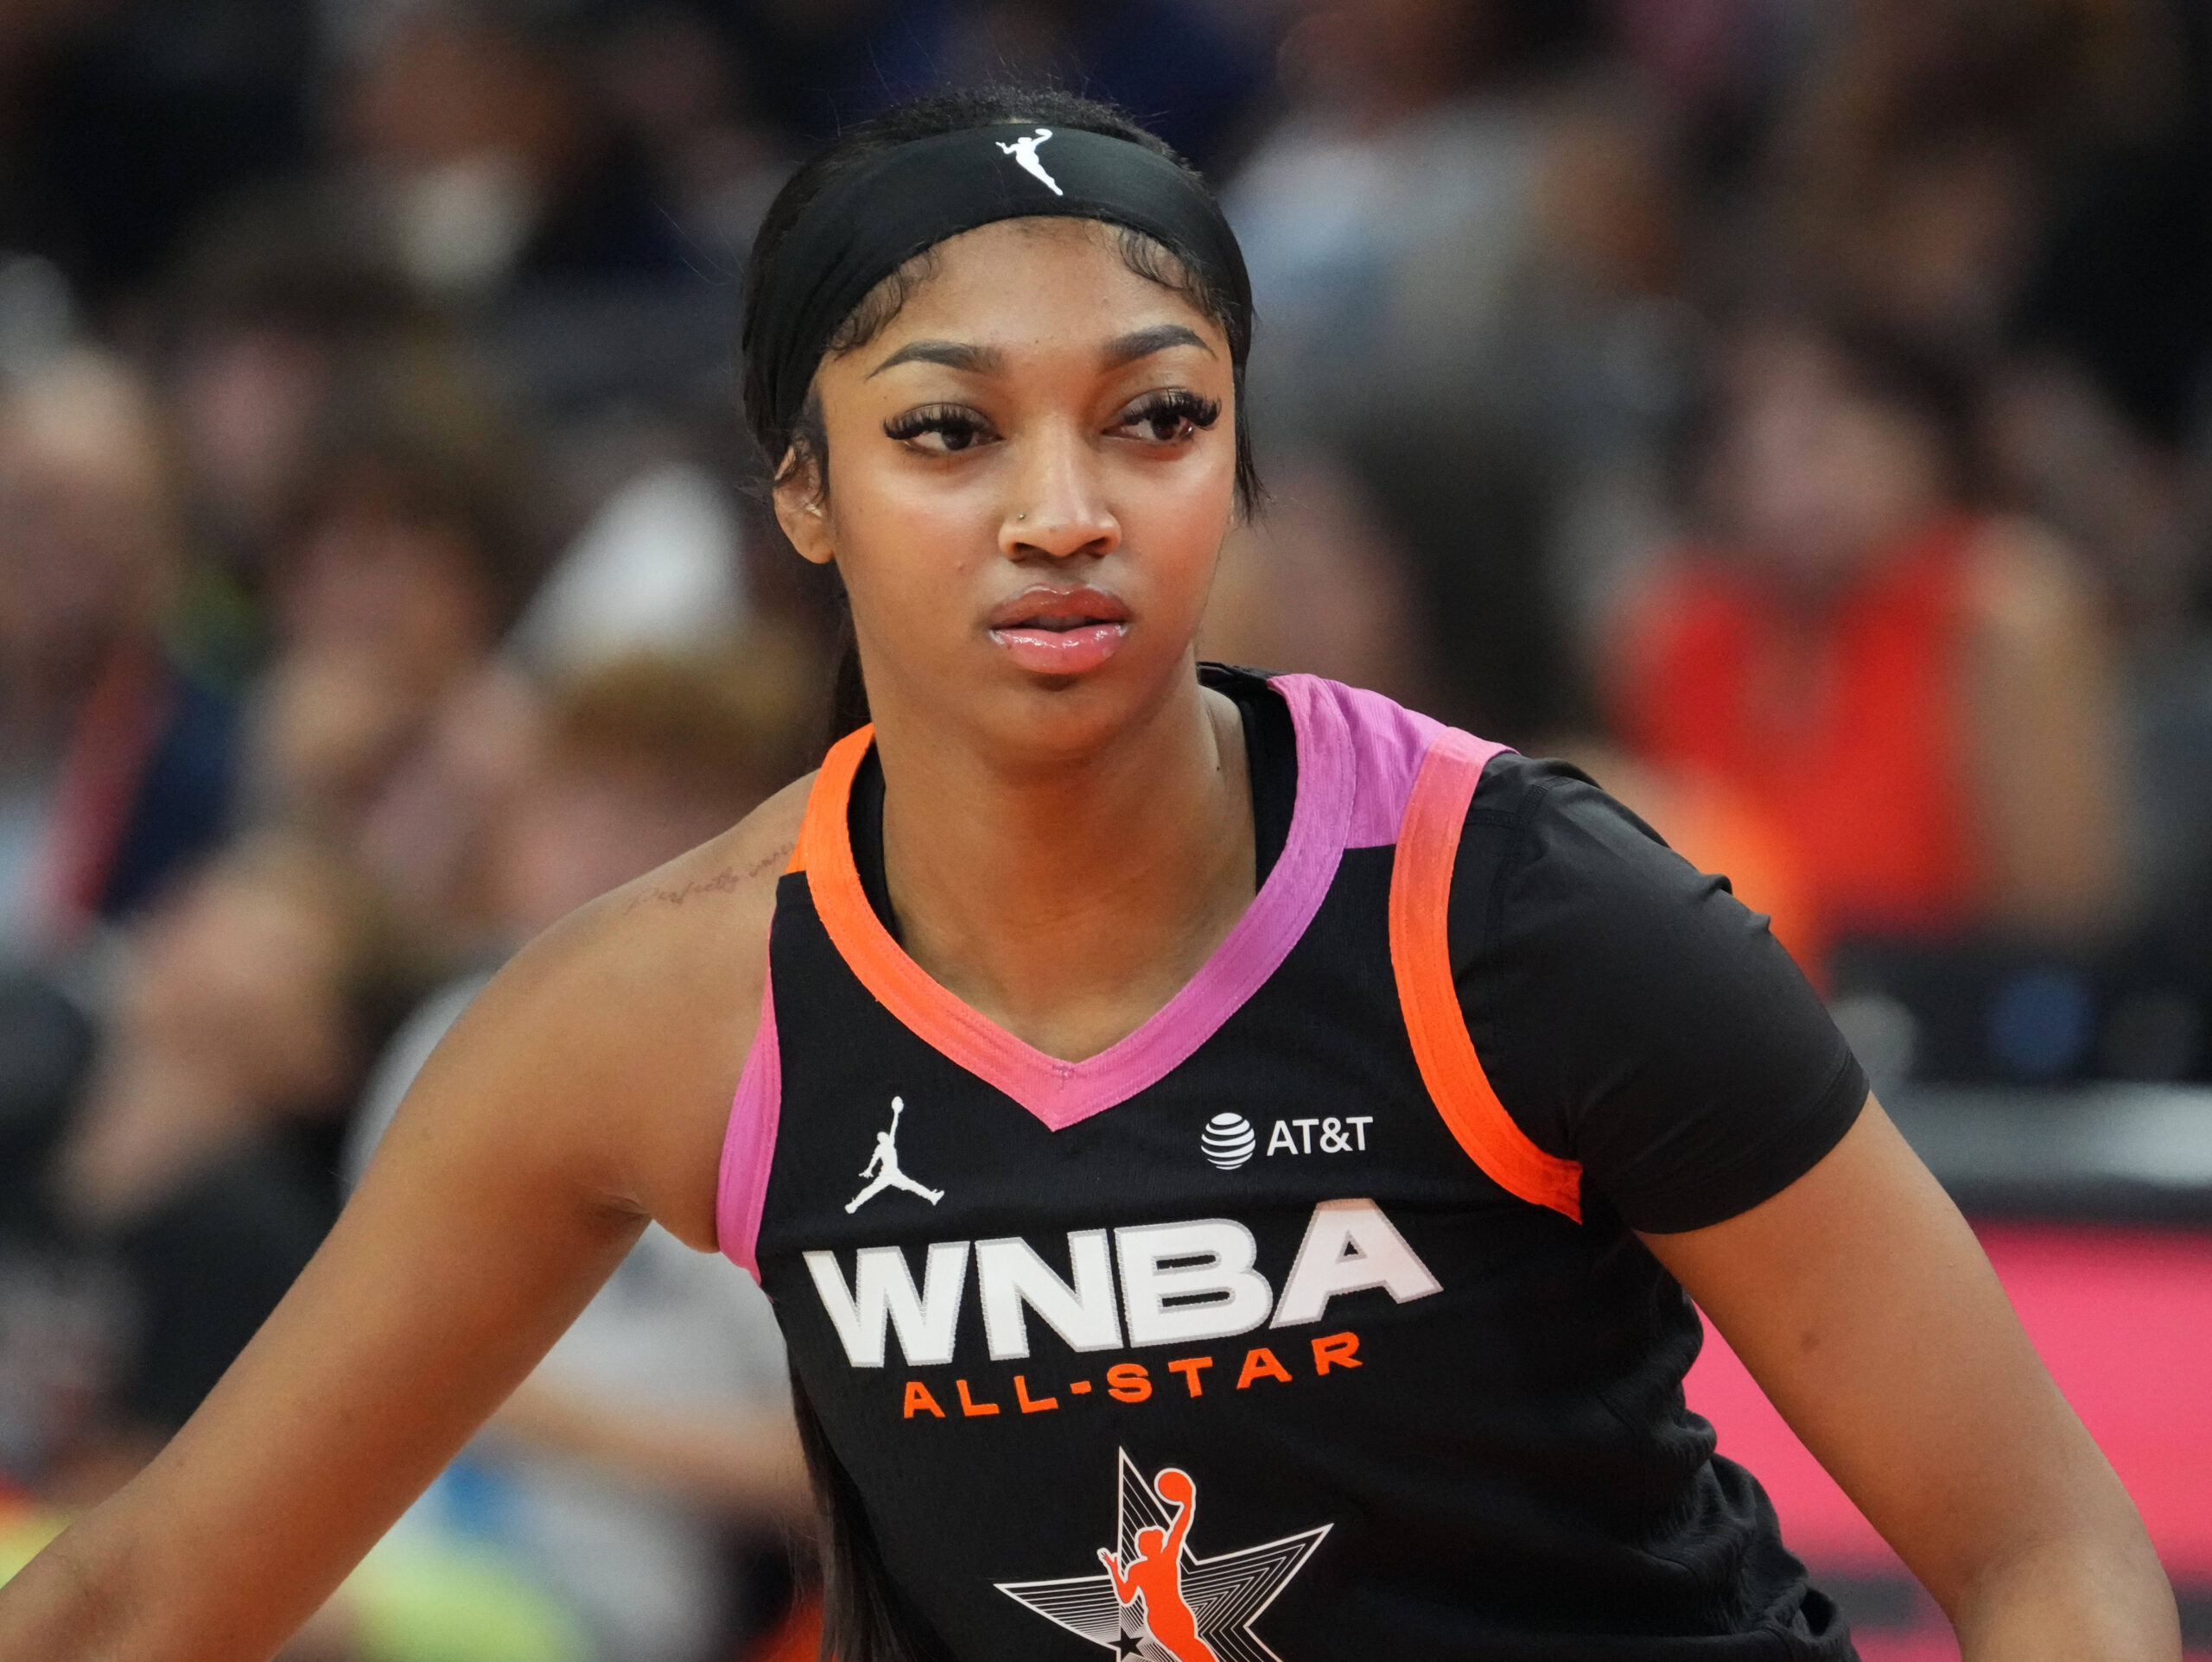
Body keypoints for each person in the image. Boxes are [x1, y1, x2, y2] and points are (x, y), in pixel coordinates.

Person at [0, 88, 2178, 1662]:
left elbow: (2039, 1540)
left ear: (1235, 460)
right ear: (804, 493)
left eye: (1151, 419)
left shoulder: (1518, 911)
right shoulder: (667, 1007)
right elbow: (146, 1594)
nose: (1064, 509)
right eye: (949, 432)